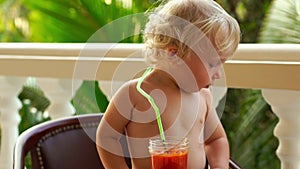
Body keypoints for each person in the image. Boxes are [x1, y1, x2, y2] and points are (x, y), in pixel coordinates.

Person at [96, 0, 240, 168]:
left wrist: (219, 166)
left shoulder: (203, 97)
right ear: (174, 55)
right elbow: (106, 137)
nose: (218, 73)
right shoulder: (136, 93)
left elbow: (217, 139)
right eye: (212, 64)